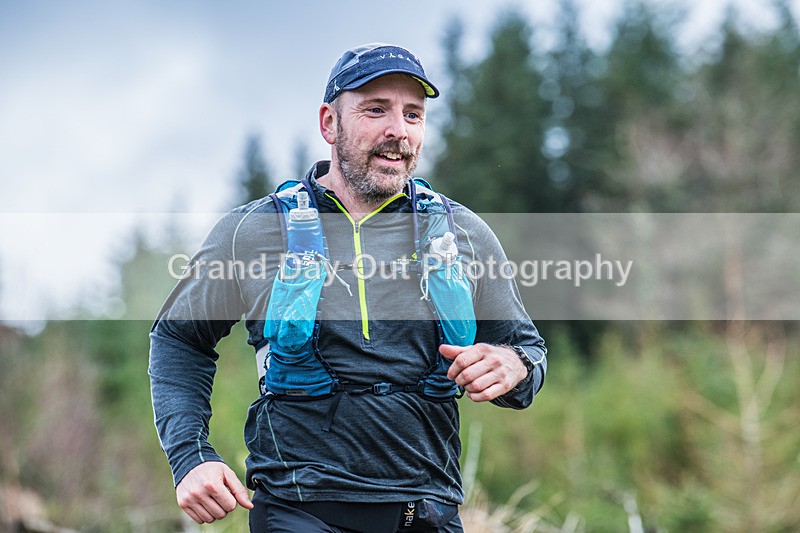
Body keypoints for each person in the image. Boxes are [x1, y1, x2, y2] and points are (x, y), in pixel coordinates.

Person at [149, 42, 547, 532]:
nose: (398, 130)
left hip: (425, 510)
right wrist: (190, 456)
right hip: (297, 508)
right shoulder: (253, 231)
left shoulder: (462, 233)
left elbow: (527, 353)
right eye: (375, 110)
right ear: (329, 124)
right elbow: (177, 338)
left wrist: (514, 365)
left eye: (413, 115)